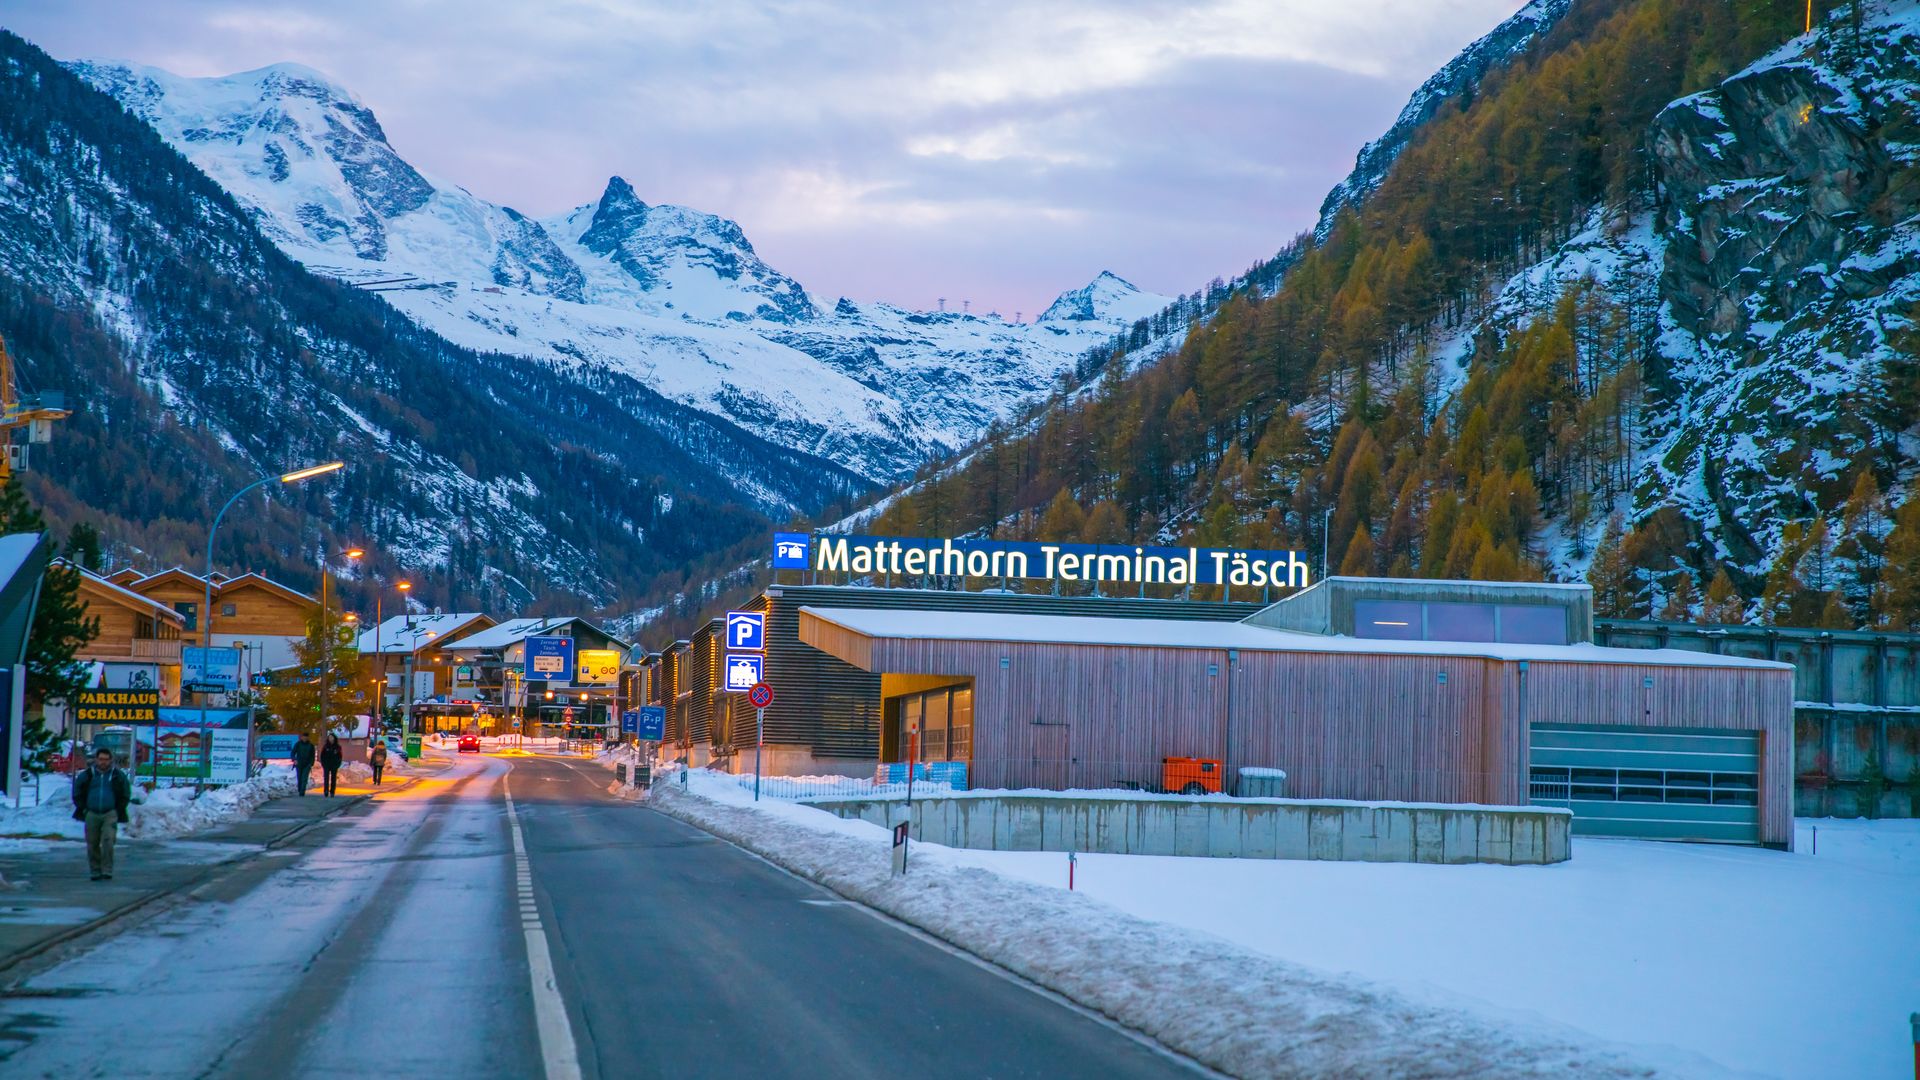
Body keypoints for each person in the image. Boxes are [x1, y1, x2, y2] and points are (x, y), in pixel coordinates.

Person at [71, 748, 131, 881]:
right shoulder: (87, 775)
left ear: (110, 760)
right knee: (92, 843)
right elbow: (77, 792)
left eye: (106, 759)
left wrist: (118, 809)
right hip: (91, 812)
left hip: (110, 813)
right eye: (101, 759)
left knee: (108, 840)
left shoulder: (117, 776)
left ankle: (107, 870)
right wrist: (84, 809)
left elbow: (125, 793)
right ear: (96, 760)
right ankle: (95, 870)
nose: (103, 762)